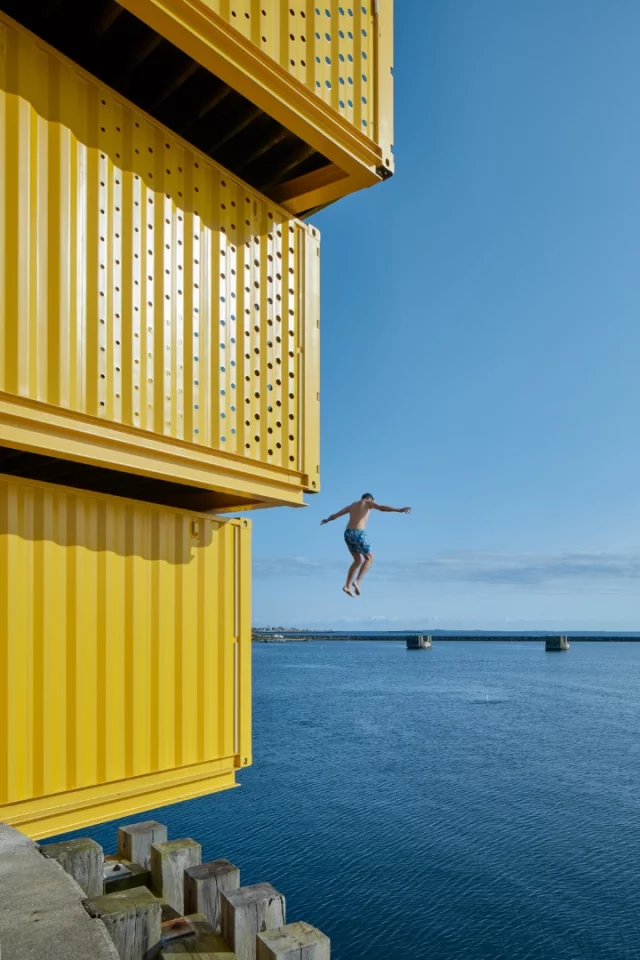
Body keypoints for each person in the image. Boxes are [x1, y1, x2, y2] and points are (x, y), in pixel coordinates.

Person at [320, 494, 411, 597]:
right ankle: (357, 582)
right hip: (358, 533)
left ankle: (347, 586)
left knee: (357, 560)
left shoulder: (352, 505)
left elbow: (336, 515)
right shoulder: (368, 502)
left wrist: (327, 520)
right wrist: (399, 510)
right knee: (370, 558)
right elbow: (381, 508)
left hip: (348, 533)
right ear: (370, 499)